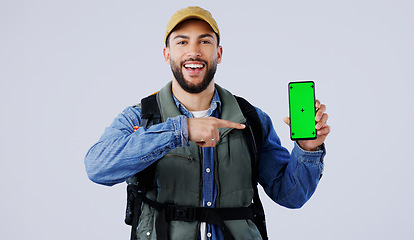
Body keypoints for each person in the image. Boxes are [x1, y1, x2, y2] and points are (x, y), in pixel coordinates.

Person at [85, 6, 330, 240]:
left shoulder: (251, 120)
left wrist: (308, 150)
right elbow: (97, 167)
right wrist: (180, 131)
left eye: (205, 41)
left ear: (218, 53)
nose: (194, 51)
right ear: (166, 53)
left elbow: (291, 196)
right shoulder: (140, 117)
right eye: (182, 42)